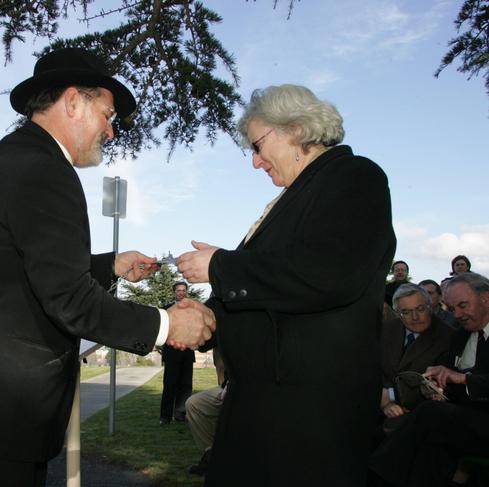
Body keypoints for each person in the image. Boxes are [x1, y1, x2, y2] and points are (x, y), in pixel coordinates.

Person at [0, 48, 215, 487]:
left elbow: (24, 270)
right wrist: (166, 327)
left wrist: (111, 265)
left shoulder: (18, 159)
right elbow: (67, 297)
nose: (110, 130)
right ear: (73, 102)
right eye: (107, 114)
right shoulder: (42, 170)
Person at [176, 84, 396, 487]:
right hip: (260, 405)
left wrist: (222, 266)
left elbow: (327, 273)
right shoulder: (290, 198)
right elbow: (267, 282)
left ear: (295, 129)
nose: (256, 163)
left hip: (309, 414)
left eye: (258, 146)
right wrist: (208, 316)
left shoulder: (355, 177)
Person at [369, 272, 489, 487]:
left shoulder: (448, 335)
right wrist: (437, 389)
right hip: (462, 418)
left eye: (463, 305)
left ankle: (374, 476)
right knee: (431, 438)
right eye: (452, 309)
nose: (458, 314)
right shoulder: (463, 336)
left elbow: (464, 379)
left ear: (486, 299)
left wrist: (463, 379)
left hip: (477, 420)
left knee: (429, 415)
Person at [379, 283, 454, 426]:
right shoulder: (387, 330)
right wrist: (384, 403)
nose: (415, 317)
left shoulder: (448, 338)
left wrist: (389, 396)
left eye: (420, 309)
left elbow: (442, 388)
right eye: (406, 312)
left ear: (430, 306)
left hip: (420, 418)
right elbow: (372, 370)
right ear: (398, 313)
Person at [160, 281, 196, 425]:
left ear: (186, 292)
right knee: (169, 385)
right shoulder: (166, 310)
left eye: (183, 290)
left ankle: (181, 414)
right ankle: (165, 417)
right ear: (174, 292)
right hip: (171, 354)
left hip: (187, 353)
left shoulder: (193, 311)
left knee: (186, 386)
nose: (181, 292)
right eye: (178, 290)